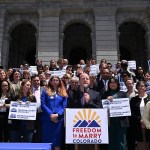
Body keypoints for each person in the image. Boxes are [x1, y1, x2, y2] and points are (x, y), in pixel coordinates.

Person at [41, 75, 68, 150]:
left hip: (58, 120)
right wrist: (51, 115)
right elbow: (43, 104)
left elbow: (64, 106)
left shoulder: (63, 92)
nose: (55, 82)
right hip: (47, 119)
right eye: (54, 80)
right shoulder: (45, 91)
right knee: (46, 141)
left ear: (59, 82)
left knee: (57, 141)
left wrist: (58, 115)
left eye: (57, 80)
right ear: (50, 81)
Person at [103, 77, 128, 150]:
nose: (113, 84)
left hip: (121, 121)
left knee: (121, 142)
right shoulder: (105, 94)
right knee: (111, 141)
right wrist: (106, 100)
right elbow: (102, 106)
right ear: (108, 84)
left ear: (117, 84)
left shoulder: (123, 93)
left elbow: (126, 106)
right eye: (111, 82)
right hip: (110, 122)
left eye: (114, 82)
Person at [130, 81, 150, 150]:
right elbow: (132, 113)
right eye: (139, 86)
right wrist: (141, 120)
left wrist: (146, 121)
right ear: (137, 88)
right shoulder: (133, 100)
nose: (141, 87)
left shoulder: (149, 98)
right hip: (137, 124)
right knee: (140, 143)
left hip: (149, 124)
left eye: (142, 86)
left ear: (145, 88)